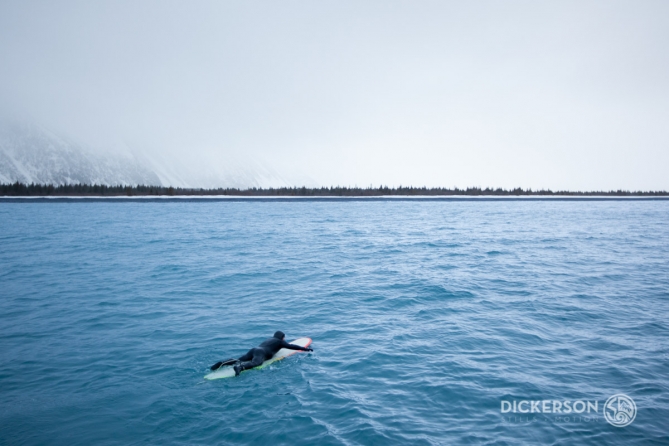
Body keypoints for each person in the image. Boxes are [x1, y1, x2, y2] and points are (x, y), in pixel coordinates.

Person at [226, 331, 313, 376]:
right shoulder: (280, 342)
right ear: (282, 338)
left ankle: (222, 364)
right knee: (257, 363)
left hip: (254, 349)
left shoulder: (270, 339)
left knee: (239, 359)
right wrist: (305, 349)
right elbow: (292, 346)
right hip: (262, 353)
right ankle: (240, 368)